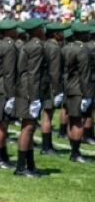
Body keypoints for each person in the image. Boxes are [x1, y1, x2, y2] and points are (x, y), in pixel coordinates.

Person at [13, 19, 47, 177]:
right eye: (41, 27)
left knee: (30, 128)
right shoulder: (36, 46)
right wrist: (34, 98)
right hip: (29, 90)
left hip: (24, 88)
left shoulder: (28, 44)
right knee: (27, 128)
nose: (43, 30)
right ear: (35, 31)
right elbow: (33, 73)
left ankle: (30, 165)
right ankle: (21, 167)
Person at [0, 20, 20, 168]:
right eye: (14, 29)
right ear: (8, 32)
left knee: (2, 123)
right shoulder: (9, 46)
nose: (17, 32)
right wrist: (11, 95)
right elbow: (9, 73)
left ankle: (2, 155)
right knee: (1, 124)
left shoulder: (1, 44)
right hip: (3, 88)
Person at [63, 24, 92, 162]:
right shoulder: (82, 50)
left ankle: (73, 150)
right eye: (86, 34)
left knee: (72, 120)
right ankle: (75, 153)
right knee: (78, 121)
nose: (88, 36)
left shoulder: (66, 47)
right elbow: (84, 75)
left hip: (68, 87)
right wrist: (87, 95)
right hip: (78, 89)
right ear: (81, 35)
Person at [41, 22, 65, 155]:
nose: (63, 35)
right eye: (61, 33)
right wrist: (57, 90)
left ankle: (47, 145)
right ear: (56, 34)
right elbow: (55, 71)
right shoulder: (54, 47)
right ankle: (46, 146)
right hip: (51, 85)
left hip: (44, 83)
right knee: (47, 116)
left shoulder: (44, 44)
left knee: (46, 115)